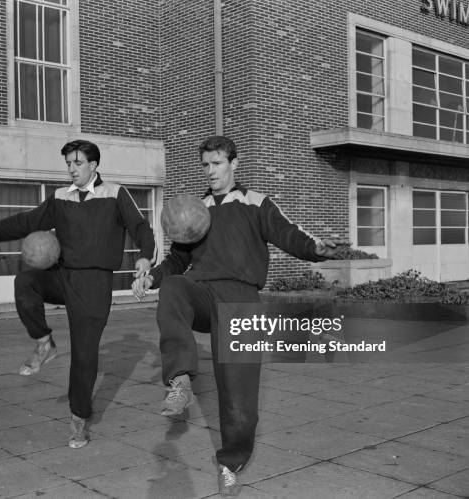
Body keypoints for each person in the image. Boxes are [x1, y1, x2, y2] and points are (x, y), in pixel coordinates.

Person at [132, 135, 337, 496]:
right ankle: (180, 381)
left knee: (239, 401)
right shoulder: (197, 210)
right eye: (206, 164)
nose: (210, 171)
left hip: (241, 301)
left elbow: (288, 234)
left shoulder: (255, 203)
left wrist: (315, 248)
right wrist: (153, 276)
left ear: (233, 164)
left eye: (217, 163)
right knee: (175, 287)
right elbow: (178, 260)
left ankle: (230, 464)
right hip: (203, 293)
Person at [0, 139, 155, 449]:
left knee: (84, 356)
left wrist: (145, 257)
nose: (71, 169)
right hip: (63, 276)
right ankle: (44, 343)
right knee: (26, 282)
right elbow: (27, 222)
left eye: (77, 163)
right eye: (68, 164)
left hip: (94, 284)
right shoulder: (61, 197)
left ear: (93, 165)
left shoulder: (114, 193)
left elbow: (141, 228)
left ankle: (79, 420)